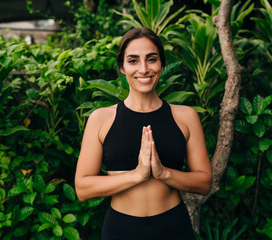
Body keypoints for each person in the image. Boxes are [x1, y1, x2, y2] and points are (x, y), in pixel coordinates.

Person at [75, 27, 212, 240]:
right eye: (133, 60)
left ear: (161, 64)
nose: (144, 69)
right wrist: (137, 174)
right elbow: (83, 188)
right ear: (122, 67)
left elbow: (204, 183)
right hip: (120, 230)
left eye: (151, 59)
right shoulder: (101, 119)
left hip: (174, 228)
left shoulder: (186, 117)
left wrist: (164, 173)